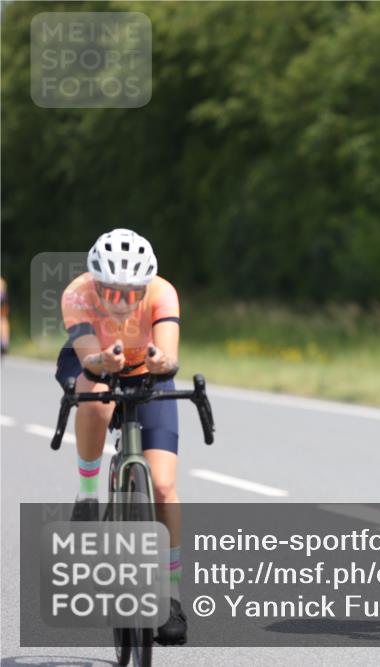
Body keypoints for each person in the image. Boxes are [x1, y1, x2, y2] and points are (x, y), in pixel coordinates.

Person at [56, 229, 188, 645]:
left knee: (164, 487)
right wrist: (103, 360)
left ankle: (170, 594)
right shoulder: (76, 295)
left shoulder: (163, 292)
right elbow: (88, 359)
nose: (120, 300)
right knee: (95, 399)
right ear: (95, 282)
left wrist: (159, 360)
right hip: (94, 362)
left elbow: (169, 358)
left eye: (131, 291)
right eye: (110, 290)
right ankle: (87, 493)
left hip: (147, 372)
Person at [1, 276, 9, 355]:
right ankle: (4, 342)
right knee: (3, 321)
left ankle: (4, 342)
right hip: (3, 304)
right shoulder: (2, 282)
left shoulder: (1, 282)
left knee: (3, 320)